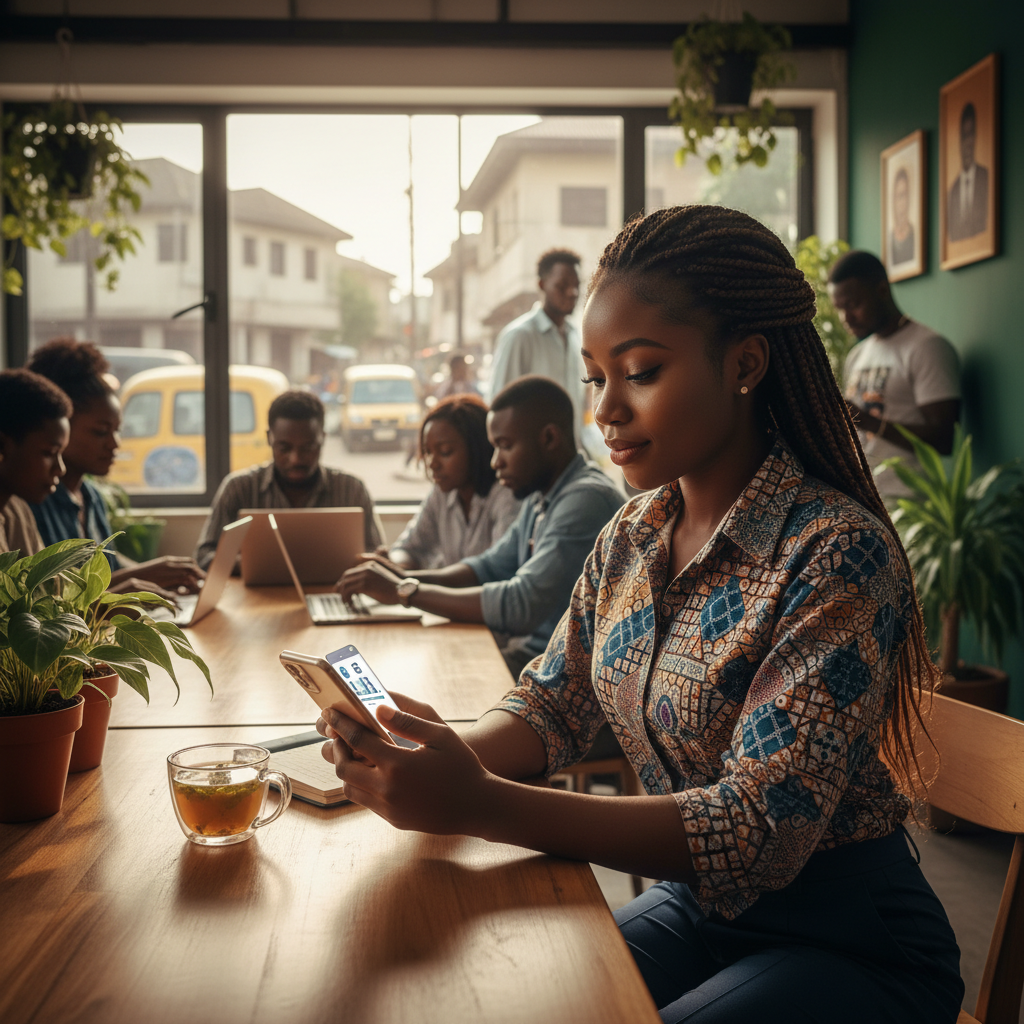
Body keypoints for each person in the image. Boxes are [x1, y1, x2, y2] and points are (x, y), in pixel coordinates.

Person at [317, 206, 963, 1024]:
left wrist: (474, 801)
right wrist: (431, 752)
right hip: (705, 908)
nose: (605, 411)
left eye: (642, 371)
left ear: (746, 364)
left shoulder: (837, 554)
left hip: (852, 941)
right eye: (596, 376)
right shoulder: (633, 532)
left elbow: (755, 828)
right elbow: (554, 701)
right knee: (516, 998)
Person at [338, 376, 624, 677]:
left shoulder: (585, 499)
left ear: (549, 439)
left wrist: (404, 591)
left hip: (566, 675)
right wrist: (402, 578)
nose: (495, 462)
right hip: (535, 658)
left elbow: (521, 602)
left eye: (504, 446)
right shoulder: (539, 496)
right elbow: (486, 567)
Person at [26, 338, 206, 600]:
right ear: (60, 427)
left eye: (117, 430)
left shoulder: (91, 496)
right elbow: (53, 604)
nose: (114, 444)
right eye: (101, 432)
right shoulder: (33, 502)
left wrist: (160, 575)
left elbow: (106, 575)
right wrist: (143, 578)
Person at [195, 389, 382, 569]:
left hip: (336, 594)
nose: (296, 459)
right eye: (284, 448)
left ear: (323, 439)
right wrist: (251, 564)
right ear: (269, 438)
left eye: (308, 448)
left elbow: (376, 556)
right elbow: (204, 558)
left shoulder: (352, 490)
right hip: (255, 598)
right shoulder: (238, 488)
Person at [827, 250, 961, 499]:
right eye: (839, 309)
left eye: (854, 305)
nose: (846, 318)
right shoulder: (857, 355)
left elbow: (943, 439)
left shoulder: (926, 347)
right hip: (863, 497)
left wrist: (865, 419)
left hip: (909, 505)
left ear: (882, 290)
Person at [386, 394, 520, 571]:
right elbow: (407, 548)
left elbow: (496, 574)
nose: (432, 463)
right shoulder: (442, 493)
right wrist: (392, 565)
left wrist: (410, 582)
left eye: (445, 451)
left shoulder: (506, 496)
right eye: (428, 452)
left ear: (477, 449)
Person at [487, 249, 586, 445]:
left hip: (569, 455)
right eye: (562, 285)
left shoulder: (575, 336)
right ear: (542, 285)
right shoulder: (519, 336)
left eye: (577, 285)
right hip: (532, 457)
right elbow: (499, 406)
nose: (572, 292)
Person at [0, 369, 70, 555]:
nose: (60, 469)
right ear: (3, 446)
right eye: (49, 453)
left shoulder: (17, 511)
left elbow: (51, 585)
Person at [947, 101, 989, 242]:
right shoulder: (953, 192)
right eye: (964, 136)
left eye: (971, 134)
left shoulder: (986, 178)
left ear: (976, 136)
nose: (968, 144)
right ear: (960, 140)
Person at [890, 166, 915, 265]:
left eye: (904, 195)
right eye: (898, 196)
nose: (901, 203)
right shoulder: (890, 238)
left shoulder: (914, 234)